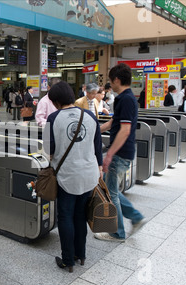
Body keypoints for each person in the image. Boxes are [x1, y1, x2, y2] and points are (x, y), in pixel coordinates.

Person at [43, 81, 103, 272]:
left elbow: (47, 150)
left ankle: (68, 260)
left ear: (56, 100)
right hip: (89, 174)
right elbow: (97, 148)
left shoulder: (52, 119)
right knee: (80, 215)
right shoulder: (90, 116)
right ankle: (81, 255)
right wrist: (100, 169)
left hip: (67, 175)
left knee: (66, 216)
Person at [96, 63, 146, 242]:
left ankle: (117, 232)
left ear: (117, 80)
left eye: (111, 81)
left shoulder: (125, 99)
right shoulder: (126, 98)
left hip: (120, 152)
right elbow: (112, 123)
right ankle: (135, 217)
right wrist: (94, 131)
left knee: (110, 193)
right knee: (112, 190)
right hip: (123, 151)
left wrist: (110, 155)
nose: (110, 85)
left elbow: (124, 130)